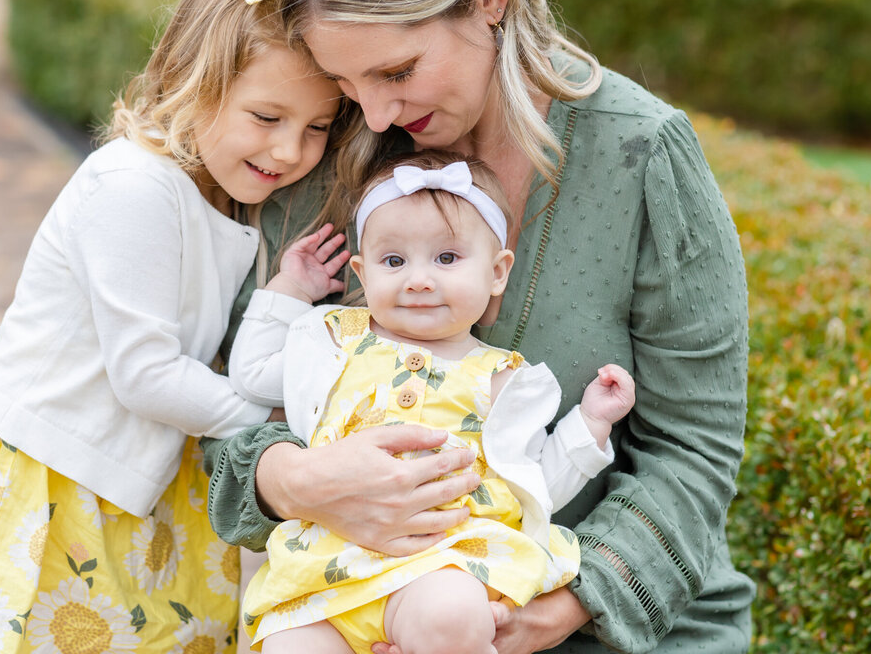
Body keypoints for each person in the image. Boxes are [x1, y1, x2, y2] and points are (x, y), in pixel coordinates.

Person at [202, 0, 756, 653]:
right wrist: (293, 480)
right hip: (358, 614)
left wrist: (565, 601)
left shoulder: (640, 153)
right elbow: (228, 395)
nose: (377, 109)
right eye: (346, 81)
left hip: (603, 629)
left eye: (398, 69)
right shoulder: (331, 143)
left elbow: (694, 450)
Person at [0, 0, 348, 654]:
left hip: (136, 484)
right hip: (50, 478)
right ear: (194, 81)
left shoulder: (230, 205)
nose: (292, 151)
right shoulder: (131, 185)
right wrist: (271, 428)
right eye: (267, 117)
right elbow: (144, 373)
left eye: (316, 127)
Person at [228, 152, 636, 654]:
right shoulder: (332, 339)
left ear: (497, 272)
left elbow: (535, 485)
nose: (418, 279)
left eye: (446, 258)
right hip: (326, 568)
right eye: (393, 261)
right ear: (362, 272)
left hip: (443, 559)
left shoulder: (504, 378)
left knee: (452, 616)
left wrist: (590, 424)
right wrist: (292, 288)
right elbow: (251, 375)